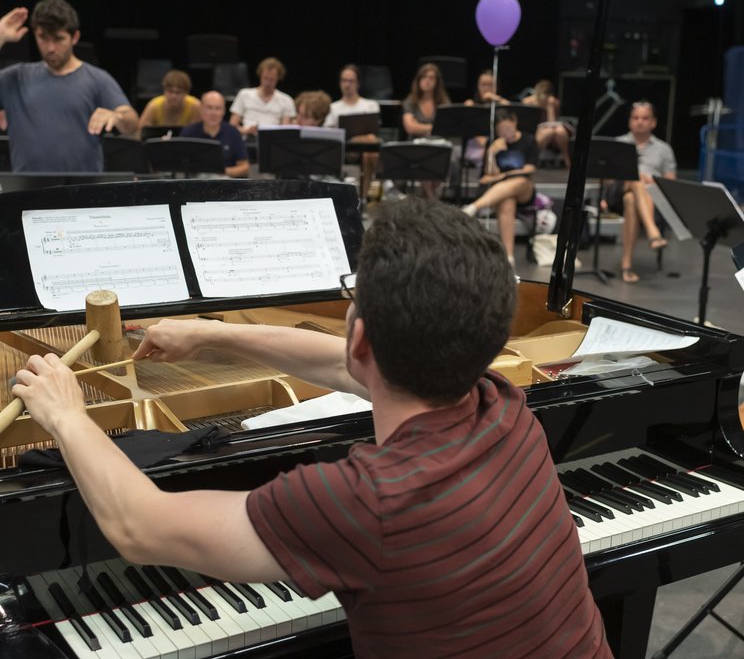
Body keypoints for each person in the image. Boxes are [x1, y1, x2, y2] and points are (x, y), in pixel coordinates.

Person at [12, 198, 611, 659]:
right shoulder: (503, 404)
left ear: (360, 338)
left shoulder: (366, 500)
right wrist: (214, 332)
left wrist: (66, 413)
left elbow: (139, 527)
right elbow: (343, 363)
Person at [0, 0, 138, 172]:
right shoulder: (16, 78)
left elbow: (132, 122)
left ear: (75, 37)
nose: (50, 47)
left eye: (58, 39)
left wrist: (117, 117)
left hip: (82, 192)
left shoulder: (96, 79)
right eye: (43, 37)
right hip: (27, 192)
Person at [607, 101, 675, 283]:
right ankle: (653, 232)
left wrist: (651, 180)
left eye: (645, 118)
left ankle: (626, 265)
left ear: (653, 122)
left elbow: (671, 183)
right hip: (618, 194)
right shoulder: (619, 143)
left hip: (652, 199)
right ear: (630, 121)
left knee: (632, 198)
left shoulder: (664, 149)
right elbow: (606, 177)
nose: (640, 122)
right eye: (636, 118)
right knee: (635, 182)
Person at [462, 108, 538, 267]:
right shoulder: (494, 143)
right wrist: (491, 153)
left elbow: (530, 169)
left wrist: (505, 176)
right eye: (501, 130)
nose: (505, 133)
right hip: (499, 193)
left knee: (519, 182)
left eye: (508, 128)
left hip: (523, 189)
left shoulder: (529, 140)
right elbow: (488, 175)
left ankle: (473, 207)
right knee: (507, 201)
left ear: (515, 122)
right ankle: (509, 257)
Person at [325, 64, 381, 203]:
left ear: (358, 83)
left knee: (369, 150)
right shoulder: (334, 107)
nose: (347, 84)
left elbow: (374, 129)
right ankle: (384, 183)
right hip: (345, 149)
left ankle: (362, 198)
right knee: (369, 140)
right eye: (344, 80)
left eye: (351, 81)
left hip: (366, 150)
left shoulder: (370, 105)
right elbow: (328, 131)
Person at [402, 62, 451, 199]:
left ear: (437, 81)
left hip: (439, 143)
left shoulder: (443, 102)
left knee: (448, 157)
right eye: (424, 77)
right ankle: (433, 200)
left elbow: (447, 127)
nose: (427, 81)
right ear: (418, 80)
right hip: (417, 144)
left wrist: (422, 127)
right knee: (423, 157)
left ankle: (429, 197)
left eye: (431, 78)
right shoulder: (411, 101)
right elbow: (410, 127)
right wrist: (433, 128)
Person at [179, 90, 249, 177]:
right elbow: (179, 165)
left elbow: (244, 167)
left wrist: (222, 171)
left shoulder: (233, 132)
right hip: (196, 182)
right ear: (201, 109)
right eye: (209, 108)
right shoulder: (189, 132)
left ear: (223, 111)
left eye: (218, 108)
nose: (213, 113)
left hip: (226, 182)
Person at [229, 57, 295, 136]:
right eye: (265, 78)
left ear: (278, 78)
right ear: (260, 75)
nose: (267, 83)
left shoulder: (286, 100)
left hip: (272, 140)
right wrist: (245, 131)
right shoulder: (244, 94)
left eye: (271, 80)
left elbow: (285, 130)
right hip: (247, 138)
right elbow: (232, 125)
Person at [462, 69, 510, 174]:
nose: (486, 88)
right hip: (477, 146)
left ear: (496, 87)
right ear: (478, 86)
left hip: (499, 144)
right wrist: (489, 146)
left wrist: (496, 99)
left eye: (491, 85)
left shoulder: (500, 104)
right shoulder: (470, 104)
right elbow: (471, 130)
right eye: (483, 85)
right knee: (491, 157)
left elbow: (513, 113)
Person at [523, 79, 572, 168]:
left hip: (553, 135)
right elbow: (527, 124)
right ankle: (532, 159)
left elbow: (552, 122)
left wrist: (549, 106)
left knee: (559, 131)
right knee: (550, 132)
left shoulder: (553, 102)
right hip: (535, 132)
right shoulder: (528, 101)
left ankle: (567, 160)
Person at [137, 69, 201, 133]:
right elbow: (141, 131)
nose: (174, 96)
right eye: (170, 91)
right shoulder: (154, 106)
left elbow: (197, 133)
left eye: (178, 92)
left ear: (186, 93)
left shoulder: (195, 106)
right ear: (164, 90)